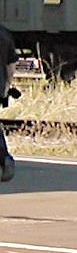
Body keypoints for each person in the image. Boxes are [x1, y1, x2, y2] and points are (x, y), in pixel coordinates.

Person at [0, 25, 17, 182]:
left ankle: (5, 159)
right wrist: (6, 86)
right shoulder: (4, 34)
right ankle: (5, 159)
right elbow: (11, 66)